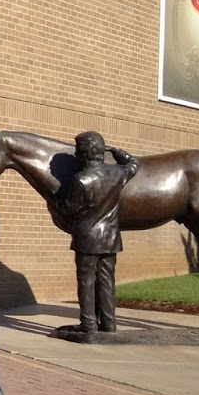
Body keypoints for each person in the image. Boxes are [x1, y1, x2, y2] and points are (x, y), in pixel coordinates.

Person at [59, 131, 141, 333]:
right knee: (107, 281)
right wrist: (117, 151)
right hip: (110, 238)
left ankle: (89, 324)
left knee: (86, 282)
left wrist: (57, 201)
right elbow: (134, 164)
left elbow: (69, 208)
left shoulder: (81, 180)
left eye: (78, 150)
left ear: (85, 153)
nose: (76, 154)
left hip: (88, 238)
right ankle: (109, 323)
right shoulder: (117, 173)